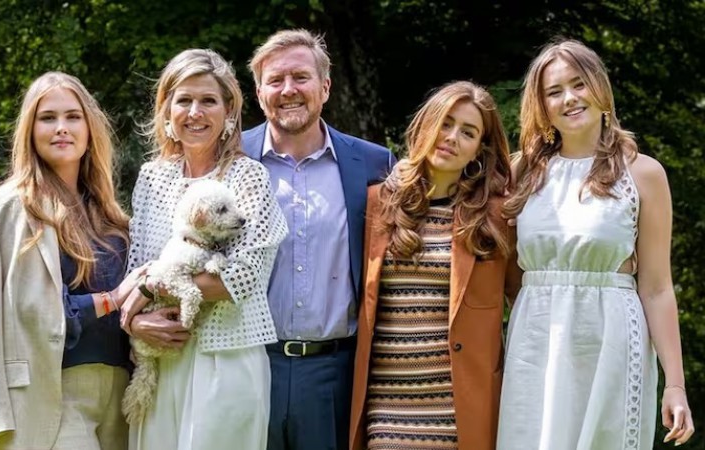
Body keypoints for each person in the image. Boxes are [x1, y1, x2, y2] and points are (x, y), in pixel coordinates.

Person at [498, 39, 695, 449]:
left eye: (578, 84)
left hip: (612, 340)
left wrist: (675, 383)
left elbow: (657, 287)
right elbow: (508, 275)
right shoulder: (521, 171)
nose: (569, 98)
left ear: (600, 89)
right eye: (554, 91)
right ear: (543, 105)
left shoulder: (643, 174)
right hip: (536, 342)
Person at [0, 71, 146, 450]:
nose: (61, 128)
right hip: (48, 396)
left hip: (123, 398)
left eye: (73, 117)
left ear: (90, 129)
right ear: (29, 130)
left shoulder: (114, 220)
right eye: (47, 117)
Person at [118, 48, 288, 450]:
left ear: (229, 112)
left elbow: (241, 278)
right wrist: (135, 324)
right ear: (167, 110)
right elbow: (136, 267)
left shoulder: (249, 177)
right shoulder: (151, 178)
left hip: (226, 357)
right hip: (162, 354)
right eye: (184, 100)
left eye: (208, 101)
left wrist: (147, 291)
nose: (195, 112)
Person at [241, 28, 396, 450]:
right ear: (258, 93)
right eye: (275, 80)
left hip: (335, 372)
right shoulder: (230, 158)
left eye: (301, 77)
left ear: (325, 87)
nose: (288, 89)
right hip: (247, 363)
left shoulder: (373, 164)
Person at [349, 81, 519, 450]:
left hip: (463, 412)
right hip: (387, 414)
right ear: (427, 125)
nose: (452, 137)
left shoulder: (496, 218)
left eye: (468, 132)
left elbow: (528, 301)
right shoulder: (375, 204)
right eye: (446, 123)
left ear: (479, 149)